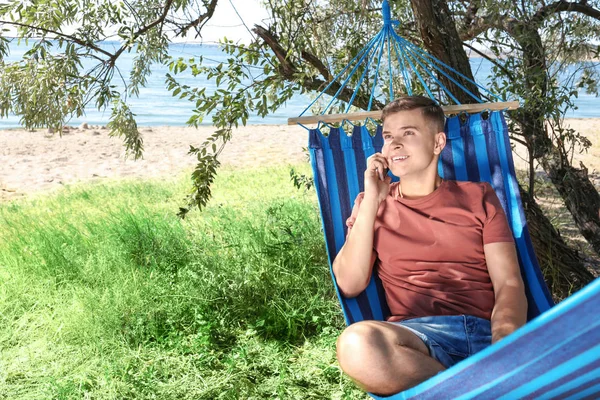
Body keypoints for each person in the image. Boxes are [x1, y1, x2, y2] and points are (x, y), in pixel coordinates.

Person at [332, 96, 528, 396]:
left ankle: (463, 386)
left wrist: (504, 347)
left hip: (483, 333)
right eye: (387, 137)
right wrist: (372, 198)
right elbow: (349, 284)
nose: (394, 144)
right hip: (415, 343)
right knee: (356, 345)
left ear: (438, 143)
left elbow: (509, 284)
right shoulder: (369, 205)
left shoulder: (479, 197)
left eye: (407, 133)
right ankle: (480, 390)